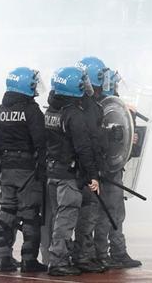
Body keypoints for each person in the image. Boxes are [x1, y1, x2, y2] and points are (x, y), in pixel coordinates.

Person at [78, 56, 141, 270]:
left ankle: (110, 252)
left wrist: (127, 140)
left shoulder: (105, 103)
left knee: (111, 211)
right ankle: (100, 253)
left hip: (105, 166)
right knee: (98, 212)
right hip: (96, 167)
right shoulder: (86, 106)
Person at [44, 67, 99, 276]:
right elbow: (83, 148)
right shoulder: (73, 114)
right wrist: (93, 175)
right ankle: (58, 262)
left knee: (58, 217)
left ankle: (57, 258)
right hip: (68, 175)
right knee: (66, 219)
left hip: (53, 172)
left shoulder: (51, 111)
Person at [0, 67, 47, 273]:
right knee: (30, 214)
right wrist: (41, 168)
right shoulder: (31, 110)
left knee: (6, 212)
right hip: (27, 169)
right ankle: (28, 259)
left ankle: (2, 258)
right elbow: (40, 142)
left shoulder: (1, 110)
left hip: (6, 167)